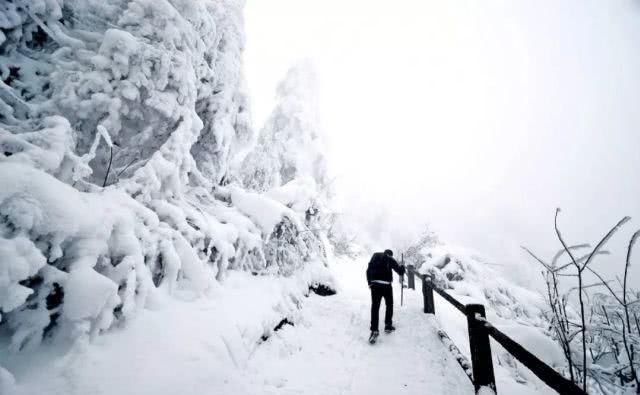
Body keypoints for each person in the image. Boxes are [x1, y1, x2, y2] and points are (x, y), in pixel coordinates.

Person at [366, 249, 405, 342]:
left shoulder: (374, 257)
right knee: (389, 304)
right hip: (386, 285)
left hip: (374, 284)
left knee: (375, 307)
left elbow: (368, 270)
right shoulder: (390, 259)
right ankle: (388, 325)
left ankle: (374, 330)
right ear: (390, 254)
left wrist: (369, 283)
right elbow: (400, 272)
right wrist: (402, 266)